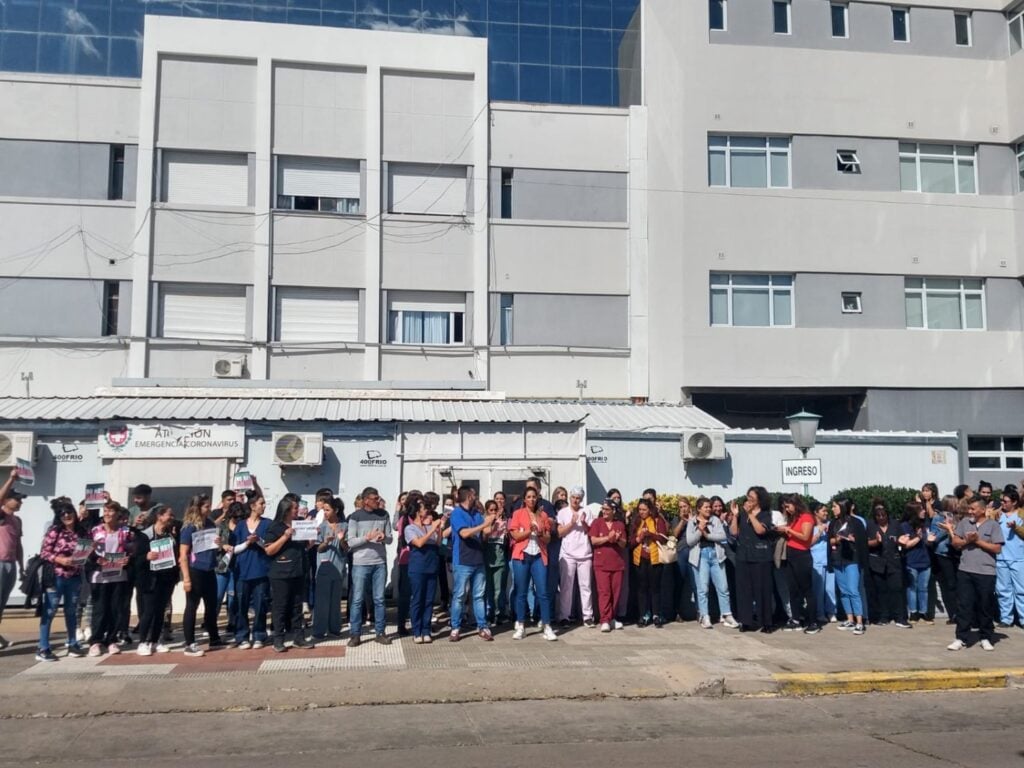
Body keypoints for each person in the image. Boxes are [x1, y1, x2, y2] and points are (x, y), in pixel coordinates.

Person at [946, 498, 1004, 651]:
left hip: (986, 572)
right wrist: (967, 540)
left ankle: (986, 637)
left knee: (985, 605)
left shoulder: (993, 525)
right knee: (964, 605)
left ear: (983, 510)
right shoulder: (965, 523)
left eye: (973, 509)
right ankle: (961, 637)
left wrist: (978, 541)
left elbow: (997, 548)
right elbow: (955, 543)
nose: (970, 511)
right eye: (969, 509)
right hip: (965, 570)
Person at [36, 499, 89, 660]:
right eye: (62, 513)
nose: (66, 515)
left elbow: (87, 550)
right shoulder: (54, 531)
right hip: (55, 576)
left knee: (71, 611)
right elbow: (44, 553)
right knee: (50, 611)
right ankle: (43, 647)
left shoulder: (82, 532)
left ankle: (72, 643)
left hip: (74, 577)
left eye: (69, 512)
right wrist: (60, 559)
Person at [263, 496, 315, 653]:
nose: (297, 510)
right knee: (280, 607)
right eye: (294, 508)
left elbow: (307, 546)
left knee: (297, 607)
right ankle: (278, 639)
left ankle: (299, 637)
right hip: (280, 572)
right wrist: (285, 536)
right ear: (286, 510)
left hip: (298, 570)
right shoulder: (275, 527)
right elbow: (269, 550)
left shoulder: (300, 523)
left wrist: (312, 534)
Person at [509, 486, 557, 640]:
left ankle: (547, 626)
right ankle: (521, 625)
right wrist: (529, 531)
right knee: (521, 592)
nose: (531, 499)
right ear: (524, 499)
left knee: (543, 592)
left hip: (538, 555)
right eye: (528, 497)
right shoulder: (518, 514)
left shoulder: (543, 515)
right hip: (522, 555)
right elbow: (515, 535)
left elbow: (548, 538)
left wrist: (541, 533)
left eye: (534, 497)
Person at [346, 487, 393, 647]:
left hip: (379, 562)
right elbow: (350, 542)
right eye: (375, 499)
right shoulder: (355, 517)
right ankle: (355, 634)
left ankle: (380, 632)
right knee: (357, 600)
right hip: (360, 563)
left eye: (378, 498)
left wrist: (383, 537)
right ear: (366, 500)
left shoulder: (384, 515)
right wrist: (367, 538)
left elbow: (390, 539)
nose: (378, 501)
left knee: (379, 599)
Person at [178, 494, 224, 657]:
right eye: (206, 506)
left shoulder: (210, 523)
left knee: (212, 605)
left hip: (209, 569)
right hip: (195, 569)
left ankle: (214, 637)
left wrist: (218, 544)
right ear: (197, 508)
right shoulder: (189, 527)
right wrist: (186, 578)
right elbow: (183, 553)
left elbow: (213, 546)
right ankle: (190, 643)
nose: (209, 509)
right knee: (192, 606)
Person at [87, 500, 134, 656]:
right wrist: (95, 558)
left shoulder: (125, 531)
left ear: (118, 514)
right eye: (105, 511)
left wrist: (129, 558)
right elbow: (85, 550)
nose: (107, 514)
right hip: (99, 576)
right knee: (99, 609)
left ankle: (111, 639)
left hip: (118, 574)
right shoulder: (95, 530)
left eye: (110, 511)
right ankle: (96, 641)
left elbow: (133, 548)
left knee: (115, 609)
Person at [685, 496, 739, 630]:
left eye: (709, 507)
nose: (709, 509)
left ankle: (726, 614)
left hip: (716, 555)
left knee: (723, 587)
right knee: (703, 588)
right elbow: (690, 541)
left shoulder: (715, 520)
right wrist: (699, 530)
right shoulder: (692, 522)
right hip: (701, 556)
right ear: (699, 509)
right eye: (706, 507)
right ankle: (704, 615)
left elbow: (722, 536)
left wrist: (708, 535)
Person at [448, 485, 494, 642]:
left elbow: (484, 533)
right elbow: (464, 533)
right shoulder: (456, 513)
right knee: (459, 595)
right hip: (462, 561)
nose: (476, 497)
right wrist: (484, 524)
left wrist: (494, 526)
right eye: (474, 495)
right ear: (469, 496)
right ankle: (455, 627)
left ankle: (482, 626)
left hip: (478, 559)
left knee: (479, 596)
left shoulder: (476, 513)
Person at [135, 505, 178, 655]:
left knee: (161, 611)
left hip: (166, 578)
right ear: (160, 516)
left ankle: (155, 640)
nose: (172, 518)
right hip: (150, 579)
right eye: (169, 515)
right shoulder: (145, 535)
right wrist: (146, 557)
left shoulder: (170, 535)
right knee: (149, 611)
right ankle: (142, 642)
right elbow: (135, 558)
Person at [730, 487, 774, 633]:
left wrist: (751, 514)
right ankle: (746, 621)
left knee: (762, 589)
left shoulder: (766, 514)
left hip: (761, 556)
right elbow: (734, 532)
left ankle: (766, 621)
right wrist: (735, 516)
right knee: (744, 590)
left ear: (759, 500)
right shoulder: (742, 514)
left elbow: (760, 530)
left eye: (752, 498)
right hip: (744, 556)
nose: (748, 500)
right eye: (748, 497)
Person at [231, 493, 271, 649]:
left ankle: (259, 634)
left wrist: (258, 541)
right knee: (241, 604)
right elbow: (234, 548)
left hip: (261, 569)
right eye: (261, 503)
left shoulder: (267, 524)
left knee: (261, 603)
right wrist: (248, 542)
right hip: (242, 570)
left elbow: (269, 546)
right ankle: (242, 636)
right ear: (253, 506)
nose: (264, 506)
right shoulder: (241, 525)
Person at [777, 494, 817, 634]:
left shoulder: (806, 517)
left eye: (788, 506)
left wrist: (789, 530)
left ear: (795, 504)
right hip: (791, 554)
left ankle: (813, 621)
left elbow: (805, 537)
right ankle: (796, 619)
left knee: (807, 589)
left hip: (802, 555)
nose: (787, 509)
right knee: (792, 589)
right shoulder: (793, 518)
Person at [866, 501, 911, 629]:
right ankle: (883, 616)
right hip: (877, 563)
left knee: (897, 590)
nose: (881, 518)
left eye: (883, 515)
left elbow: (903, 540)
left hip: (894, 562)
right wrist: (876, 542)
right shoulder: (870, 526)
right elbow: (865, 543)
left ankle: (900, 617)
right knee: (881, 591)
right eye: (878, 516)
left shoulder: (896, 524)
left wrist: (902, 542)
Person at [405, 498, 444, 643]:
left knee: (429, 600)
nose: (426, 511)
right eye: (422, 508)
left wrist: (438, 529)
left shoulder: (429, 526)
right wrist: (432, 529)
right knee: (418, 599)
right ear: (416, 511)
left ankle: (426, 629)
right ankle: (417, 630)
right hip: (418, 567)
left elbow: (438, 543)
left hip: (432, 566)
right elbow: (419, 543)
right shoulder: (410, 528)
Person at [556, 486, 595, 627]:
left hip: (585, 553)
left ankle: (587, 616)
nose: (575, 500)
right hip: (568, 554)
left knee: (586, 586)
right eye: (573, 497)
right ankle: (564, 616)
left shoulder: (587, 511)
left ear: (582, 499)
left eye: (578, 498)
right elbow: (559, 532)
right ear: (569, 497)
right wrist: (572, 523)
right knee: (566, 586)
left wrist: (583, 522)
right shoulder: (563, 512)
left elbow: (591, 532)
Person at [829, 499, 867, 635]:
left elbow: (863, 542)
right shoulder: (833, 523)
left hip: (852, 559)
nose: (832, 509)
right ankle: (849, 619)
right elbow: (830, 540)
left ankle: (860, 622)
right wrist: (838, 539)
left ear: (842, 507)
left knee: (853, 590)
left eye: (835, 506)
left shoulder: (856, 522)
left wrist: (852, 539)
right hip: (837, 559)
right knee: (843, 591)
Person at [312, 497, 347, 639]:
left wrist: (342, 540)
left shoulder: (344, 526)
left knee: (335, 600)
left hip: (338, 566)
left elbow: (346, 549)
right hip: (324, 566)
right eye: (323, 510)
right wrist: (326, 542)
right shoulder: (321, 527)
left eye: (327, 510)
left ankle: (334, 629)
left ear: (336, 510)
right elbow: (318, 549)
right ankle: (319, 631)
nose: (325, 513)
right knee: (322, 601)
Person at [630, 498, 668, 628]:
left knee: (655, 588)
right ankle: (643, 615)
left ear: (650, 510)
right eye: (640, 510)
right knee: (642, 588)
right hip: (640, 558)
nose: (642, 512)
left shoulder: (658, 520)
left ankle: (656, 614)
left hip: (655, 559)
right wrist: (639, 537)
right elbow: (631, 542)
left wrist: (650, 534)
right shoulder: (636, 521)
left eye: (644, 510)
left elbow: (664, 538)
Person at [0, 469, 25, 649]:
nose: (20, 502)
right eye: (17, 499)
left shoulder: (17, 520)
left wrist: (21, 565)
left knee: (2, 602)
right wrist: (11, 479)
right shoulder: (2, 515)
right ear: (7, 500)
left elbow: (18, 544)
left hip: (10, 564)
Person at [215, 501, 244, 639]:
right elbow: (213, 542)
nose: (238, 519)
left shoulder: (243, 526)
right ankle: (211, 623)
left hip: (237, 564)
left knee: (233, 596)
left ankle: (232, 622)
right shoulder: (222, 526)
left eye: (240, 517)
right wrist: (223, 545)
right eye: (236, 517)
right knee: (218, 596)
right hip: (222, 564)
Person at [899, 502, 932, 624]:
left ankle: (924, 612)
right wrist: (918, 538)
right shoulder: (904, 526)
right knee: (912, 587)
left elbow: (927, 542)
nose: (924, 511)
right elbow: (906, 545)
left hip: (925, 561)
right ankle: (913, 612)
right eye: (921, 509)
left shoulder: (925, 525)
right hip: (911, 561)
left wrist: (930, 541)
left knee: (924, 588)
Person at [929, 493, 959, 625]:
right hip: (942, 553)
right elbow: (933, 536)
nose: (957, 505)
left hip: (955, 553)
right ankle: (952, 614)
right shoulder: (938, 517)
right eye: (955, 503)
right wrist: (947, 529)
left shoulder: (957, 517)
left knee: (956, 584)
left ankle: (959, 613)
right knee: (948, 585)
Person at [995, 489, 1023, 628]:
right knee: (1003, 590)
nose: (1003, 504)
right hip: (1001, 558)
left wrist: (1016, 527)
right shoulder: (997, 515)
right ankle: (1006, 618)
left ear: (1014, 502)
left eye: (1005, 501)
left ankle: (1023, 619)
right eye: (1002, 501)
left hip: (1019, 558)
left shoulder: (1021, 515)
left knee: (1021, 590)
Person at [809, 501, 836, 625]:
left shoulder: (831, 524)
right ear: (815, 512)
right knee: (818, 589)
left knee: (830, 588)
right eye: (823, 511)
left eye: (826, 510)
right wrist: (819, 532)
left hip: (829, 560)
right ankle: (819, 613)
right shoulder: (810, 526)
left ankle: (831, 611)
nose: (826, 513)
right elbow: (808, 544)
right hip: (816, 561)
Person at [483, 497, 509, 625]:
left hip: (500, 559)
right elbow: (485, 535)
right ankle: (489, 613)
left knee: (499, 590)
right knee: (488, 589)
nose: (494, 512)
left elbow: (507, 541)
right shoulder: (484, 522)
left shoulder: (504, 522)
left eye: (495, 510)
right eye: (491, 510)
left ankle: (500, 613)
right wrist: (492, 523)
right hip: (487, 560)